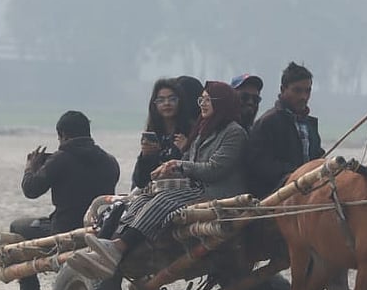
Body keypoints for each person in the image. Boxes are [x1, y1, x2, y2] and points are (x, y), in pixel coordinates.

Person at [73, 81, 247, 279]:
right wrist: (167, 170)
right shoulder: (204, 130)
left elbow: (215, 169)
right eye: (202, 99)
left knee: (164, 200)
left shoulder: (234, 132)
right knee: (145, 196)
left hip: (215, 192)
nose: (203, 104)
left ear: (222, 102)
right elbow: (189, 163)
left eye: (208, 99)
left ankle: (118, 247)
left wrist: (179, 164)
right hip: (196, 187)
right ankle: (114, 243)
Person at [245, 61, 347, 290]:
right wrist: (295, 175)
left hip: (308, 191)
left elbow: (314, 156)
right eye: (298, 90)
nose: (303, 96)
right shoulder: (269, 123)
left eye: (308, 91)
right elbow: (256, 163)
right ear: (283, 90)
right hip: (278, 195)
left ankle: (327, 286)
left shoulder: (309, 125)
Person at [7, 110, 120, 290]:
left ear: (63, 135)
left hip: (64, 230)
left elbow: (31, 190)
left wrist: (30, 168)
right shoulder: (110, 161)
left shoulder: (61, 159)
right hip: (99, 230)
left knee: (17, 227)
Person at [131, 77, 196, 190]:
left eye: (172, 99)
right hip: (153, 191)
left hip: (180, 192)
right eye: (161, 100)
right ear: (154, 105)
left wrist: (187, 149)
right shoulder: (154, 135)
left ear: (180, 101)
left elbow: (199, 169)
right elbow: (140, 181)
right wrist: (146, 156)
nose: (167, 104)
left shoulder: (190, 130)